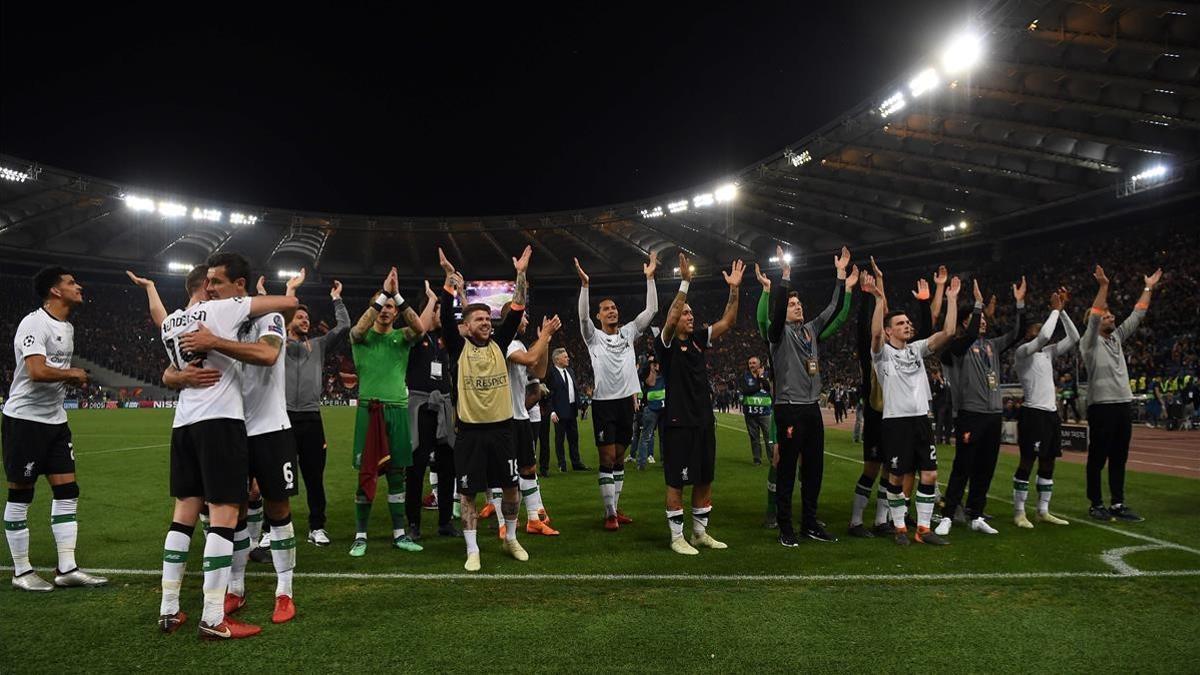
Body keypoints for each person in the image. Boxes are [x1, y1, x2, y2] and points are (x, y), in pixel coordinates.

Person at [146, 260, 298, 639]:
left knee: (277, 508)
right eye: (208, 282)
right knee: (234, 512)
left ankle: (284, 590)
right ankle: (234, 589)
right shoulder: (209, 316)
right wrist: (178, 375)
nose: (209, 288)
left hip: (266, 427)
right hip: (226, 427)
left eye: (217, 282)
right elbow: (170, 369)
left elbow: (267, 355)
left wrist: (214, 343)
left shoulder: (266, 318)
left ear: (239, 284)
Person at [3, 266, 107, 593]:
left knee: (67, 491)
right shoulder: (34, 322)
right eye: (71, 283)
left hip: (56, 421)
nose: (79, 286)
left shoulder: (68, 327)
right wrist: (72, 374)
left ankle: (67, 568)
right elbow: (35, 371)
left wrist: (69, 377)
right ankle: (21, 572)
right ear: (56, 291)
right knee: (21, 494)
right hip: (25, 421)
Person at [438, 245, 541, 572]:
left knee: (511, 488)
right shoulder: (458, 348)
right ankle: (472, 550)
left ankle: (510, 538)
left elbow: (517, 306)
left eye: (487, 318)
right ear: (466, 327)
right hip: (469, 434)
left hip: (502, 430)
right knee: (468, 495)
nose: (485, 322)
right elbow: (444, 316)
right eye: (478, 319)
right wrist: (449, 282)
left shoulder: (500, 343)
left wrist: (521, 274)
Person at [655, 254, 743, 555]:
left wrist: (734, 289)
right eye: (686, 313)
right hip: (679, 423)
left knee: (705, 478)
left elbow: (728, 321)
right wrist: (685, 283)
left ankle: (699, 533)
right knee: (678, 482)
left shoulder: (698, 340)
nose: (691, 316)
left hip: (704, 421)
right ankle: (677, 537)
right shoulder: (665, 344)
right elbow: (670, 317)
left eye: (692, 313)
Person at [868, 257, 959, 546]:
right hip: (895, 422)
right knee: (896, 477)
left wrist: (951, 298)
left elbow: (948, 332)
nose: (907, 325)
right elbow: (874, 334)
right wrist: (880, 298)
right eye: (901, 323)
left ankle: (922, 528)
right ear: (889, 331)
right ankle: (899, 528)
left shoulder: (917, 349)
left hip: (921, 419)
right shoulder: (881, 354)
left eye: (908, 322)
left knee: (930, 473)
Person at [768, 245, 855, 546]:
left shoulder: (811, 330)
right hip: (789, 408)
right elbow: (777, 312)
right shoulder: (777, 333)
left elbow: (833, 308)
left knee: (814, 468)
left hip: (811, 409)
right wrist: (785, 277)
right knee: (788, 470)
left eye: (799, 303)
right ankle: (785, 527)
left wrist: (840, 275)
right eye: (793, 303)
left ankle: (809, 523)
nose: (797, 306)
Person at [347, 268, 431, 557]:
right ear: (373, 309)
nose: (385, 310)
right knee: (366, 476)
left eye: (390, 307)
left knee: (398, 475)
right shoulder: (361, 337)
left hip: (397, 410)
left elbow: (421, 329)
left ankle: (399, 533)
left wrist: (396, 294)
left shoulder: (402, 337)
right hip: (370, 411)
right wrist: (384, 294)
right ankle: (360, 535)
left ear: (396, 312)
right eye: (381, 305)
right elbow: (358, 329)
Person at [936, 277, 1027, 536]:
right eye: (979, 319)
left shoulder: (992, 346)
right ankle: (948, 516)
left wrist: (1020, 303)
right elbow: (972, 332)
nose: (984, 322)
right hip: (970, 415)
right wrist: (977, 304)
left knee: (986, 467)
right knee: (962, 466)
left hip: (993, 415)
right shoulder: (958, 347)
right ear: (967, 322)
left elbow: (1018, 333)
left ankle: (976, 514)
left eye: (985, 320)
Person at [574, 252, 659, 529]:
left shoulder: (629, 333)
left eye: (614, 308)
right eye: (607, 309)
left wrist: (650, 278)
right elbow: (583, 315)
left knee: (620, 458)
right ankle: (609, 513)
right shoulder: (593, 337)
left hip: (626, 403)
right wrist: (585, 286)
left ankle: (616, 508)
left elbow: (652, 311)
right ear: (599, 316)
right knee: (607, 457)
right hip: (603, 404)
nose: (612, 311)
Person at [1079, 264, 1162, 522]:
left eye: (1111, 314)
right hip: (1102, 405)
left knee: (1119, 457)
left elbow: (1138, 314)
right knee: (1098, 457)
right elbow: (1094, 315)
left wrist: (1148, 287)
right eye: (1107, 316)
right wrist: (1104, 286)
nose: (1112, 317)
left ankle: (1117, 503)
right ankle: (1096, 503)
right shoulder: (1089, 342)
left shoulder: (1116, 338)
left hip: (1122, 403)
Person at [283, 274, 350, 547]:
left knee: (314, 477)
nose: (305, 321)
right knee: (277, 478)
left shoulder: (319, 345)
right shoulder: (275, 345)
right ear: (287, 320)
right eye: (298, 317)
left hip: (311, 418)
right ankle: (271, 529)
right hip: (282, 418)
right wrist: (288, 293)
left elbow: (345, 326)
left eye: (306, 318)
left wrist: (337, 299)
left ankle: (316, 527)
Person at [1012, 287, 1078, 528]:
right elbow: (1042, 337)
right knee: (1027, 461)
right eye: (1035, 329)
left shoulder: (1048, 354)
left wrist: (1063, 312)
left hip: (1051, 414)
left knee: (1048, 461)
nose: (1042, 334)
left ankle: (1043, 510)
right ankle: (1019, 512)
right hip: (1033, 414)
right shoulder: (1022, 353)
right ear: (1027, 334)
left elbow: (1074, 338)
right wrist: (1054, 310)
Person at [494, 301, 559, 536]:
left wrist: (546, 342)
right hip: (504, 417)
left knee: (528, 468)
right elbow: (531, 359)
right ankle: (503, 523)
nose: (527, 322)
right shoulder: (506, 343)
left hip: (520, 417)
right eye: (523, 318)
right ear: (512, 317)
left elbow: (539, 371)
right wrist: (544, 338)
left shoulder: (518, 343)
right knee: (504, 473)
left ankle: (533, 519)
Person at [404, 287, 461, 540]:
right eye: (436, 309)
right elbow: (420, 328)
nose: (440, 313)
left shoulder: (444, 338)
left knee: (448, 467)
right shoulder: (416, 336)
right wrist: (431, 300)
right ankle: (413, 523)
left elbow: (464, 325)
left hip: (444, 408)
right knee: (416, 467)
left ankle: (445, 521)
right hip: (421, 408)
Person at [545, 348, 587, 472]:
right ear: (557, 359)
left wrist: (581, 406)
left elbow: (574, 391)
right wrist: (552, 411)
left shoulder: (570, 371)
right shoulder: (551, 374)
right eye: (565, 357)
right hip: (559, 413)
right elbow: (549, 395)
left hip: (572, 410)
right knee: (560, 439)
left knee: (574, 438)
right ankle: (561, 464)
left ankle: (576, 463)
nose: (568, 358)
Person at [739, 356, 772, 466]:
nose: (752, 365)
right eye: (750, 363)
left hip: (765, 412)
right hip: (750, 413)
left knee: (769, 437)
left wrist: (761, 377)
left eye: (754, 363)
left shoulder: (766, 375)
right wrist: (759, 385)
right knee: (754, 438)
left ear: (759, 364)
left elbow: (768, 388)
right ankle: (757, 459)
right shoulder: (744, 376)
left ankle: (772, 459)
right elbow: (746, 391)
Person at [635, 354, 664, 470]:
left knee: (664, 437)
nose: (656, 364)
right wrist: (652, 369)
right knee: (646, 437)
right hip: (650, 409)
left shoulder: (664, 372)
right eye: (653, 363)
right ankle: (641, 463)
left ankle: (664, 461)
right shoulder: (645, 372)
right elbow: (651, 383)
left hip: (663, 409)